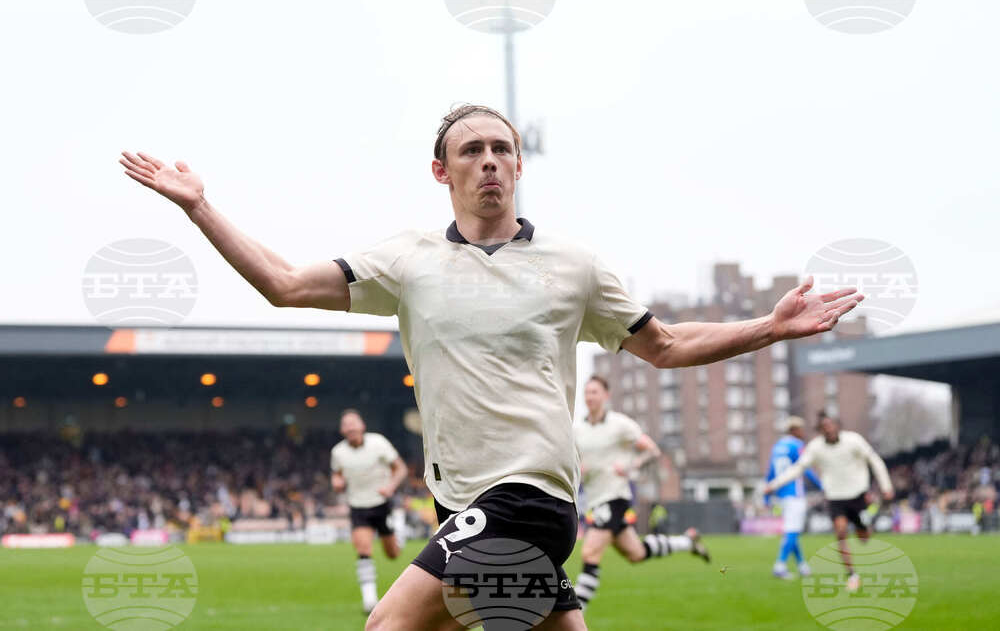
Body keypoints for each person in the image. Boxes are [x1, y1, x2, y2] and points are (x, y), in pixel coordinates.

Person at [120, 103, 864, 630]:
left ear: (518, 165)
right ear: (441, 170)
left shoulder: (574, 265)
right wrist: (199, 207)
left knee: (388, 624)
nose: (490, 161)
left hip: (528, 494)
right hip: (461, 502)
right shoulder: (407, 260)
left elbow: (664, 345)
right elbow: (283, 283)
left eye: (502, 149)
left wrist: (768, 327)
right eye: (472, 150)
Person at [573, 375, 709, 613]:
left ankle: (572, 617)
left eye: (594, 392)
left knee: (590, 551)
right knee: (635, 553)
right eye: (586, 392)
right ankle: (687, 542)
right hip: (594, 499)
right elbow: (574, 461)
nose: (589, 397)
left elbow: (652, 450)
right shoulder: (578, 429)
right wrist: (578, 469)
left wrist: (631, 466)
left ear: (606, 395)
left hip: (615, 496)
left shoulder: (620, 424)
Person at [764, 411, 894, 592]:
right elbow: (799, 468)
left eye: (831, 425)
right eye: (824, 427)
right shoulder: (815, 447)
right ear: (820, 430)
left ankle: (865, 528)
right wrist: (773, 485)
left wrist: (886, 486)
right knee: (840, 532)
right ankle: (852, 575)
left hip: (857, 494)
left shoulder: (854, 440)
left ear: (838, 426)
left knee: (863, 538)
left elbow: (875, 460)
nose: (829, 430)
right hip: (835, 497)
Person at [330, 409, 408, 613]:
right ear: (342, 430)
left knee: (392, 554)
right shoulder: (338, 452)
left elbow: (401, 469)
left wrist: (390, 487)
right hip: (358, 506)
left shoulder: (378, 443)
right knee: (363, 549)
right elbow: (337, 476)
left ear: (362, 425)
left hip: (381, 504)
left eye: (353, 423)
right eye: (346, 424)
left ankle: (398, 528)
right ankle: (369, 599)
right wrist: (337, 482)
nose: (350, 427)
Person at [764, 415, 822, 580]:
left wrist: (767, 493)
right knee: (792, 530)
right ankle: (780, 565)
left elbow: (770, 472)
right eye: (801, 429)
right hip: (795, 493)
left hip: (781, 494)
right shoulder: (796, 445)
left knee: (792, 529)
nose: (803, 432)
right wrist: (821, 485)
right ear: (795, 430)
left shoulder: (777, 446)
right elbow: (805, 468)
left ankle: (802, 565)